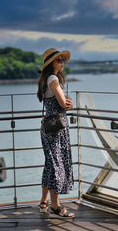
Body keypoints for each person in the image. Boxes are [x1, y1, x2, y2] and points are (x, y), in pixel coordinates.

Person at [37, 48, 74, 218]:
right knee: (56, 165)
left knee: (50, 164)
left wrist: (65, 103)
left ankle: (44, 202)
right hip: (56, 129)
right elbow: (62, 103)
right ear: (51, 63)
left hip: (49, 127)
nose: (62, 62)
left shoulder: (46, 79)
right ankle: (55, 206)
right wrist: (69, 104)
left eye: (62, 59)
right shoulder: (53, 79)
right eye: (59, 60)